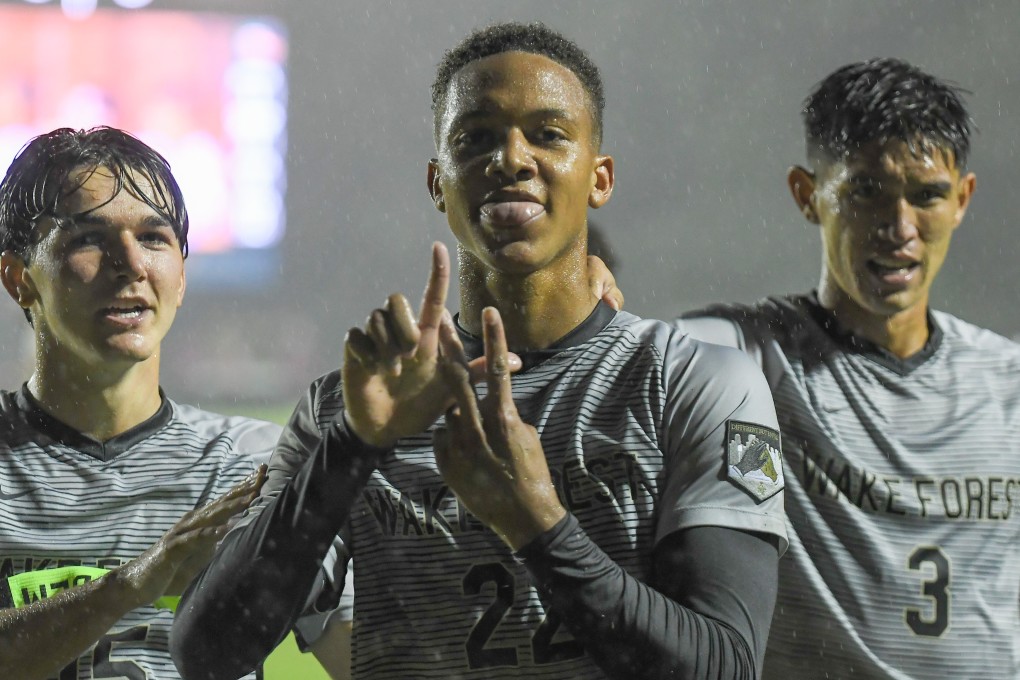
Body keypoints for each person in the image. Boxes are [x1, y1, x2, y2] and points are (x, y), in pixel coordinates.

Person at [171, 21, 787, 680]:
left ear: (600, 178)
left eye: (548, 134)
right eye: (476, 138)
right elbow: (208, 655)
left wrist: (537, 523)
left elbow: (725, 666)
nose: (511, 159)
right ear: (438, 182)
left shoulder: (697, 384)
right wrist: (352, 445)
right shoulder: (349, 408)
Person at [600, 58, 1017, 678]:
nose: (899, 228)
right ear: (807, 195)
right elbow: (617, 351)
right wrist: (581, 300)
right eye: (866, 191)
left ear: (962, 199)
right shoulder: (744, 358)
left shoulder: (1008, 383)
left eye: (927, 195)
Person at [0, 126, 279, 680]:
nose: (130, 264)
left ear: (182, 277)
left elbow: (373, 656)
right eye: (88, 238)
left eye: (153, 237)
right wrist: (133, 584)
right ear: (19, 279)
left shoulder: (254, 466)